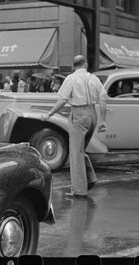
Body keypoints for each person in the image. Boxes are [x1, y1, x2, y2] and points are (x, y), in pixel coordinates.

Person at [41, 55, 108, 198]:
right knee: (81, 150)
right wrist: (103, 120)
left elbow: (63, 100)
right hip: (92, 114)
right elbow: (103, 97)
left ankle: (79, 191)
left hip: (78, 115)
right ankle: (89, 179)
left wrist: (50, 114)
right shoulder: (94, 78)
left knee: (76, 154)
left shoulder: (71, 79)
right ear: (86, 64)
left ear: (74, 66)